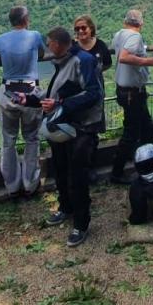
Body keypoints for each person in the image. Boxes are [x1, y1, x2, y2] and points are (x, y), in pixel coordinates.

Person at [40, 27, 106, 247]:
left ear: (58, 44)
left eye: (49, 43)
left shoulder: (83, 60)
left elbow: (94, 93)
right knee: (60, 169)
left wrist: (60, 104)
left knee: (78, 176)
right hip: (63, 126)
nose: (47, 47)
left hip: (82, 128)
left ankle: (81, 224)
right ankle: (65, 208)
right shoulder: (65, 60)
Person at [0, 6, 48, 198]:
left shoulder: (2, 39)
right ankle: (31, 184)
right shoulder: (34, 36)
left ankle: (12, 186)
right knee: (31, 138)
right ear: (26, 19)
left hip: (8, 93)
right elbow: (41, 54)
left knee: (8, 140)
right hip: (31, 93)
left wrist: (0, 58)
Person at [109, 10, 153, 185]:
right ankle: (118, 173)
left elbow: (122, 54)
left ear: (125, 21)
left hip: (127, 91)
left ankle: (146, 163)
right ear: (141, 24)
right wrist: (151, 61)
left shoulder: (119, 34)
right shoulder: (135, 36)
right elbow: (124, 57)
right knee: (132, 133)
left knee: (147, 128)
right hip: (132, 94)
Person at [73, 15, 112, 91]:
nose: (80, 31)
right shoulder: (72, 46)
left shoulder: (100, 44)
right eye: (77, 29)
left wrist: (96, 71)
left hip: (97, 89)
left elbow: (108, 63)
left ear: (91, 28)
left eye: (83, 28)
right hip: (76, 91)